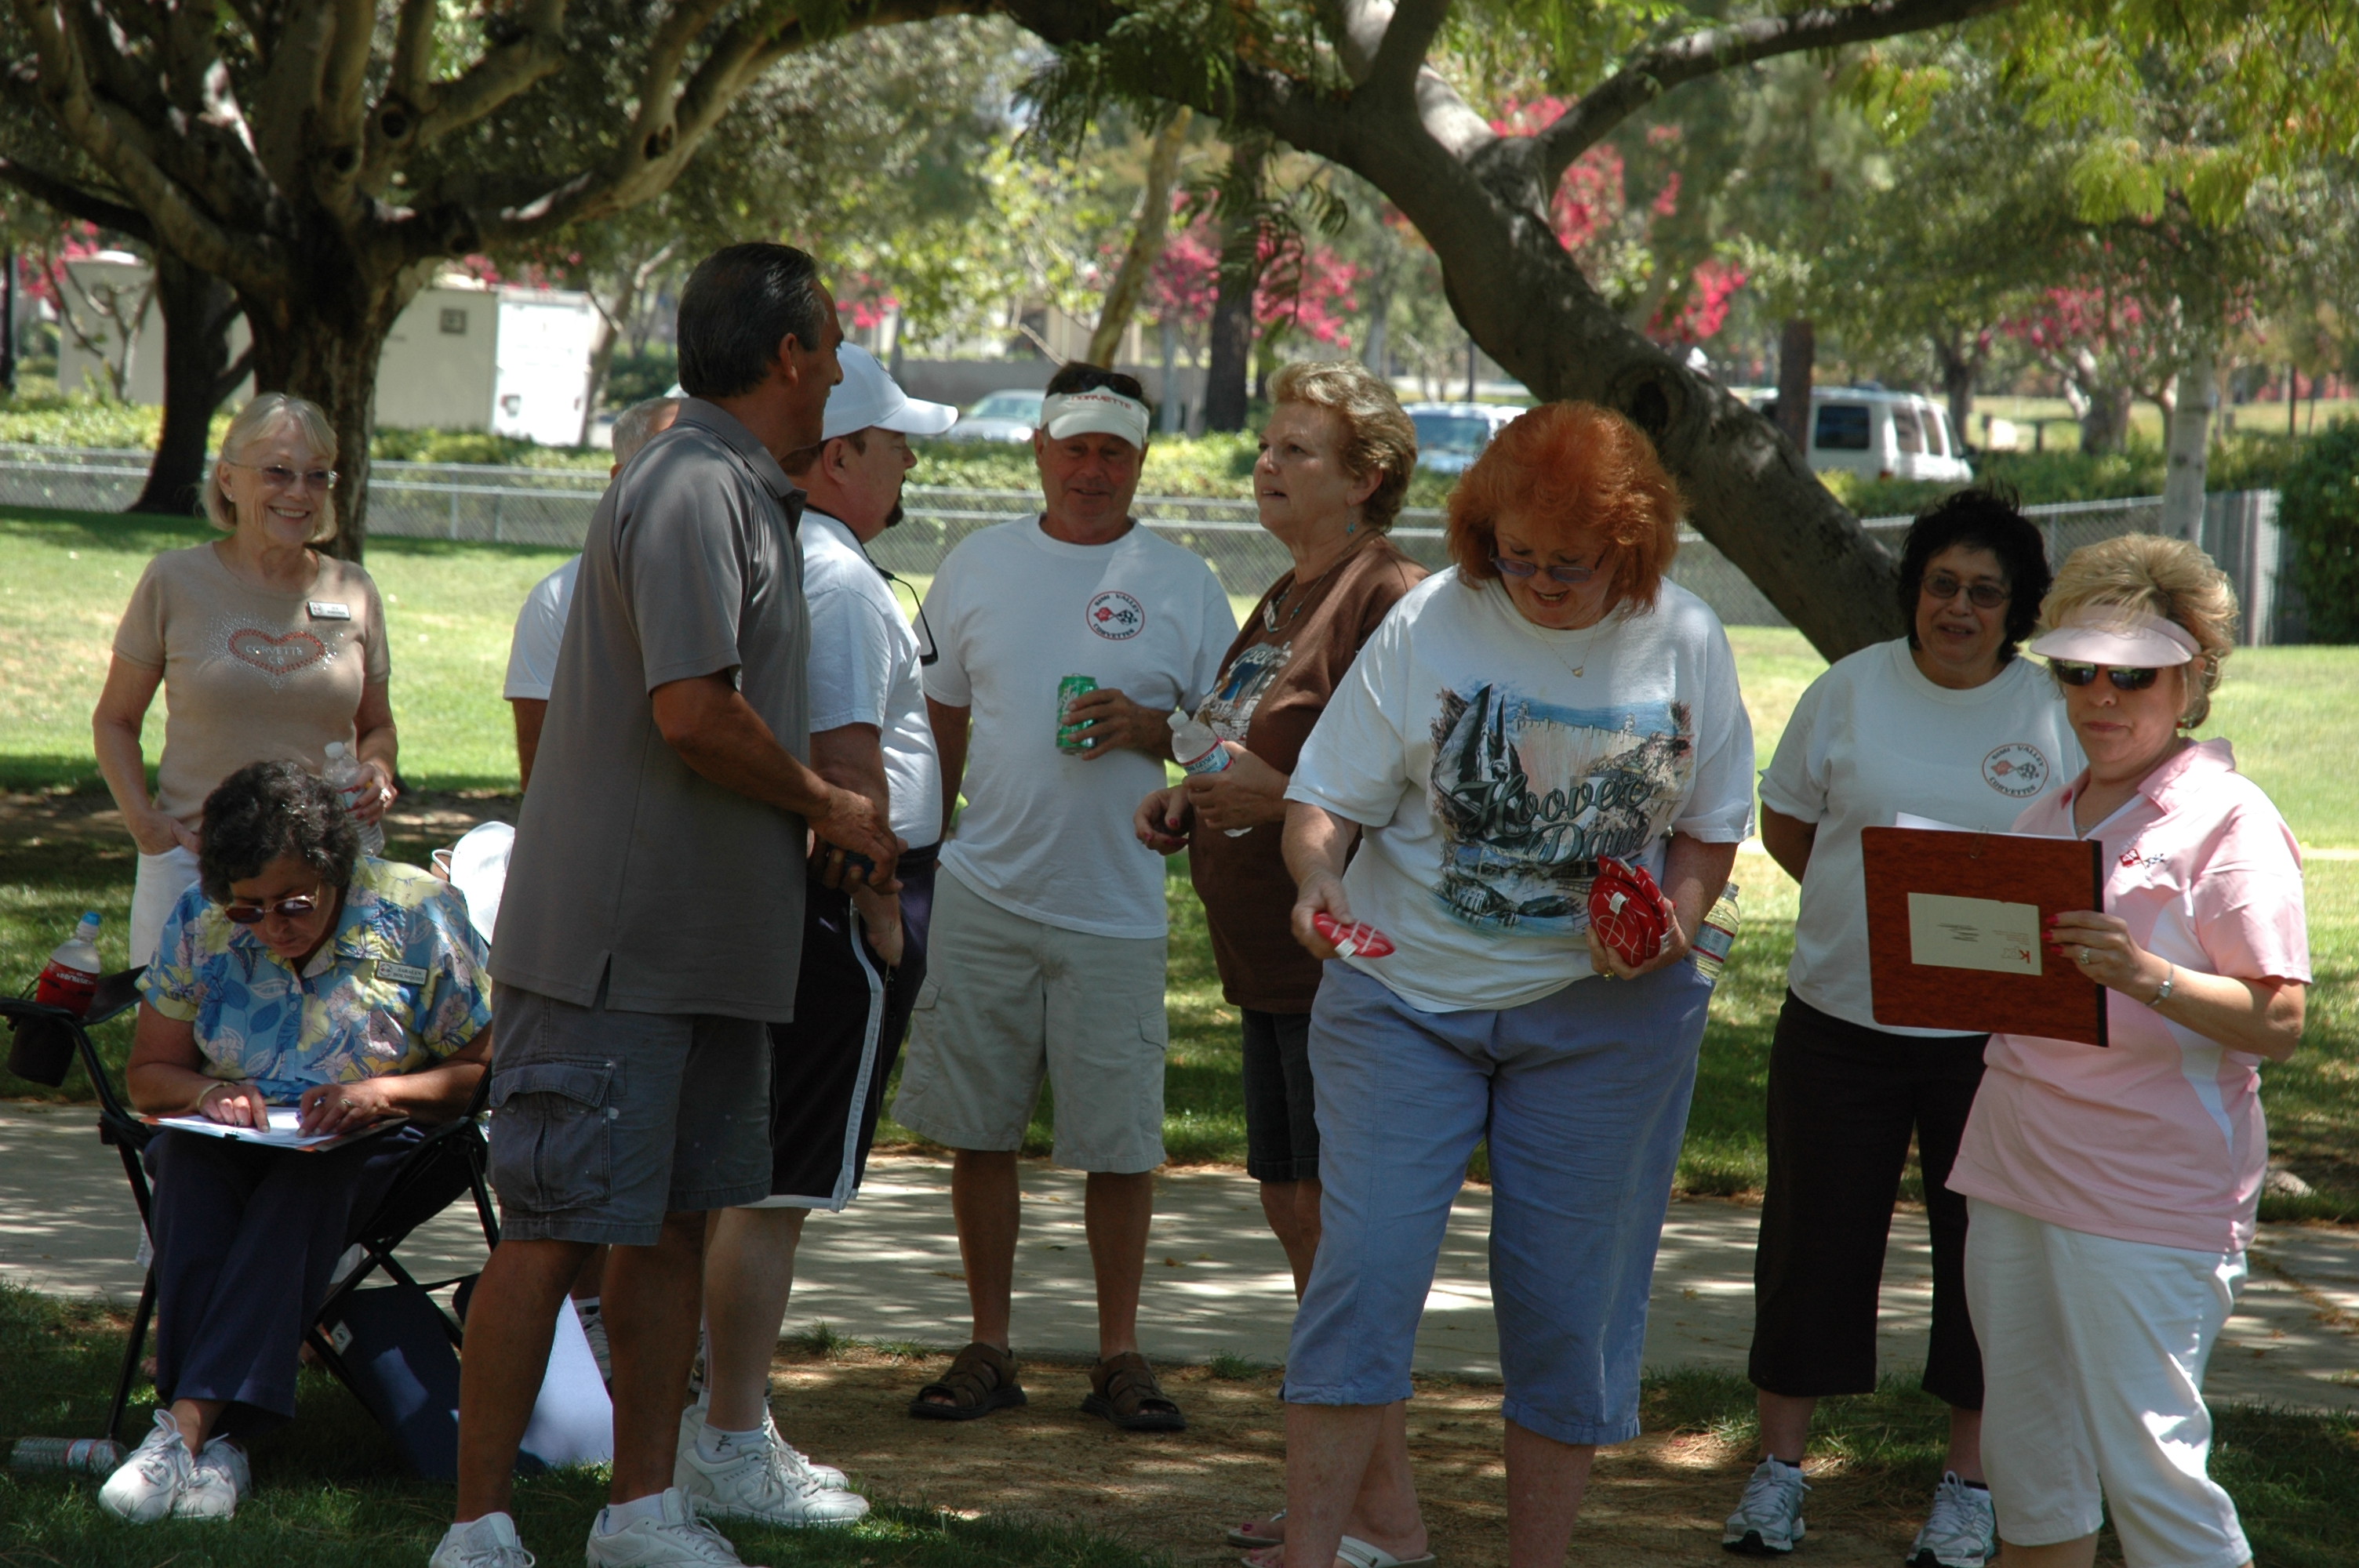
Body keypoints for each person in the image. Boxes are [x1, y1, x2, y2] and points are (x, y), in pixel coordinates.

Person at [431, 243, 900, 1568]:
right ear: (793, 355)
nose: (840, 368)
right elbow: (691, 713)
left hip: (706, 951)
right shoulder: (693, 485)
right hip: (614, 952)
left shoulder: (747, 492)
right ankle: (477, 1531)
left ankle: (642, 1511)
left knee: (677, 1227)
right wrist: (826, 803)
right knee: (556, 1228)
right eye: (833, 341)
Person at [1278, 401, 1754, 1568]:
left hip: (1606, 1026)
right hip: (1405, 998)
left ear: (1631, 548)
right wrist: (1315, 884)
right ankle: (1317, 1552)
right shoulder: (1434, 618)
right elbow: (1321, 802)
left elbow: (1707, 832)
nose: (1537, 582)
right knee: (1366, 1278)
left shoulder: (1685, 637)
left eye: (1569, 565)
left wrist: (1671, 924)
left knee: (1566, 1314)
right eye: (1517, 555)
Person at [1723, 490, 2079, 1566]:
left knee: (1990, 1263)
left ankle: (1968, 1487)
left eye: (1984, 592)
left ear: (2015, 610)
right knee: (1809, 1248)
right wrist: (1882, 931)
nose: (1957, 608)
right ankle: (1778, 1475)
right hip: (1839, 1019)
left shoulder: (2052, 711)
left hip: (1994, 1044)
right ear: (1912, 589)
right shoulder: (1848, 691)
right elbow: (1791, 826)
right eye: (1940, 584)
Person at [1946, 535, 2308, 1568]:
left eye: (2133, 673)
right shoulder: (2043, 813)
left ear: (2190, 680)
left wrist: (2147, 974)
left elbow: (2277, 1021)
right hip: (2014, 1170)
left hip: (2151, 1196)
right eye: (2077, 668)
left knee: (2154, 1480)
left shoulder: (2229, 822)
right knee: (2031, 1481)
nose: (2101, 695)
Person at [892, 362, 1237, 1430]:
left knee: (1119, 1144)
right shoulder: (978, 566)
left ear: (1142, 461)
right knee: (979, 1131)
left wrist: (1164, 738)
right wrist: (921, 859)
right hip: (985, 888)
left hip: (1117, 905)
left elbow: (1233, 750)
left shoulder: (1183, 582)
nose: (1093, 469)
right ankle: (988, 1344)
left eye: (1115, 452)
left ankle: (1119, 1354)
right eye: (1075, 447)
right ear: (1038, 449)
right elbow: (936, 727)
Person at [1129, 360, 1426, 1552]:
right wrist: (1187, 799)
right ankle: (1347, 1493)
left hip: (1339, 965)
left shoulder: (1389, 597)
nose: (1268, 462)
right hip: (1265, 964)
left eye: (1300, 450)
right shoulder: (1286, 595)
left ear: (1366, 483)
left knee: (1341, 1243)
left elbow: (1413, 785)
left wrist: (1275, 792)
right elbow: (1232, 748)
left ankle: (1382, 1520)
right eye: (1269, 443)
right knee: (1296, 1214)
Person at [682, 345, 955, 1524]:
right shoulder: (838, 578)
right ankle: (729, 1440)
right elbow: (844, 777)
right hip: (844, 905)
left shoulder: (818, 558)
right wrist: (881, 912)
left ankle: (719, 1421)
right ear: (841, 453)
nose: (909, 464)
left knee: (761, 1180)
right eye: (896, 444)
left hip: (826, 903)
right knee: (777, 1187)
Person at [99, 760, 492, 1524]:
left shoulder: (416, 912)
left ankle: (181, 1427)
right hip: (239, 1133)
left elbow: (476, 1071)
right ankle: (225, 1445)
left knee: (306, 1181)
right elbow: (149, 1075)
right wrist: (210, 1093)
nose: (271, 924)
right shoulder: (200, 917)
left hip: (385, 1134)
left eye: (293, 904)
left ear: (336, 867)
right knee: (184, 1157)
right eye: (247, 908)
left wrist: (380, 1092)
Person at [95, 393, 397, 967]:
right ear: (229, 480)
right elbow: (115, 720)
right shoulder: (174, 580)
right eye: (278, 472)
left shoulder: (353, 589)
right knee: (177, 1045)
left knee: (326, 1045)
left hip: (321, 873)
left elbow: (378, 725)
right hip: (194, 862)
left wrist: (377, 773)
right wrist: (145, 824)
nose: (298, 492)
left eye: (316, 476)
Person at [504, 395, 683, 789]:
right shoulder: (555, 602)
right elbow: (540, 777)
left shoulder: (750, 583)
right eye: (673, 460)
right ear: (621, 478)